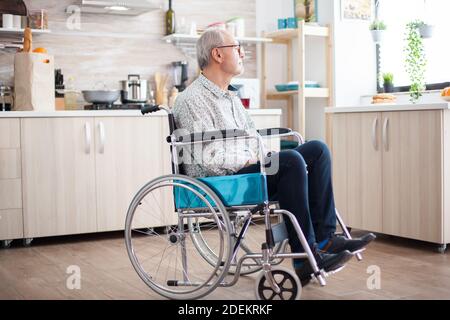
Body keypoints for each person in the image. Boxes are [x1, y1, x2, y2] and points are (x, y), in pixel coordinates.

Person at [172, 29, 375, 285]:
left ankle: (325, 238)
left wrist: (263, 155)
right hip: (221, 182)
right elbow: (208, 156)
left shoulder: (231, 97)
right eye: (237, 47)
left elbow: (252, 141)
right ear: (218, 54)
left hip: (246, 171)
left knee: (317, 150)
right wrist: (250, 158)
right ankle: (306, 257)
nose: (242, 52)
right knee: (290, 161)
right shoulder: (191, 99)